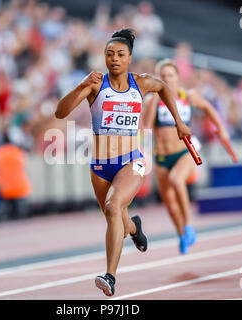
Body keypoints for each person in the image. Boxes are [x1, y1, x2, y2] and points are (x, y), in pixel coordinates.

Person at [55, 29, 191, 296]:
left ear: (129, 58)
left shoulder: (140, 83)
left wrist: (179, 121)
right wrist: (81, 85)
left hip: (133, 161)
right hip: (100, 167)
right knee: (115, 216)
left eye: (120, 54)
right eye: (109, 54)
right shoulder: (95, 85)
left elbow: (163, 88)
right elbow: (60, 113)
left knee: (113, 205)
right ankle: (134, 228)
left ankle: (110, 276)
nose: (114, 59)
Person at [142, 59, 230, 254]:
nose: (167, 79)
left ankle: (189, 226)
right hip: (162, 157)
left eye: (170, 76)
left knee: (177, 180)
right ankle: (181, 232)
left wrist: (221, 129)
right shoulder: (152, 100)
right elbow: (146, 126)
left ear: (177, 77)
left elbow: (208, 108)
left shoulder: (187, 96)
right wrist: (154, 100)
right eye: (163, 76)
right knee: (170, 204)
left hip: (185, 151)